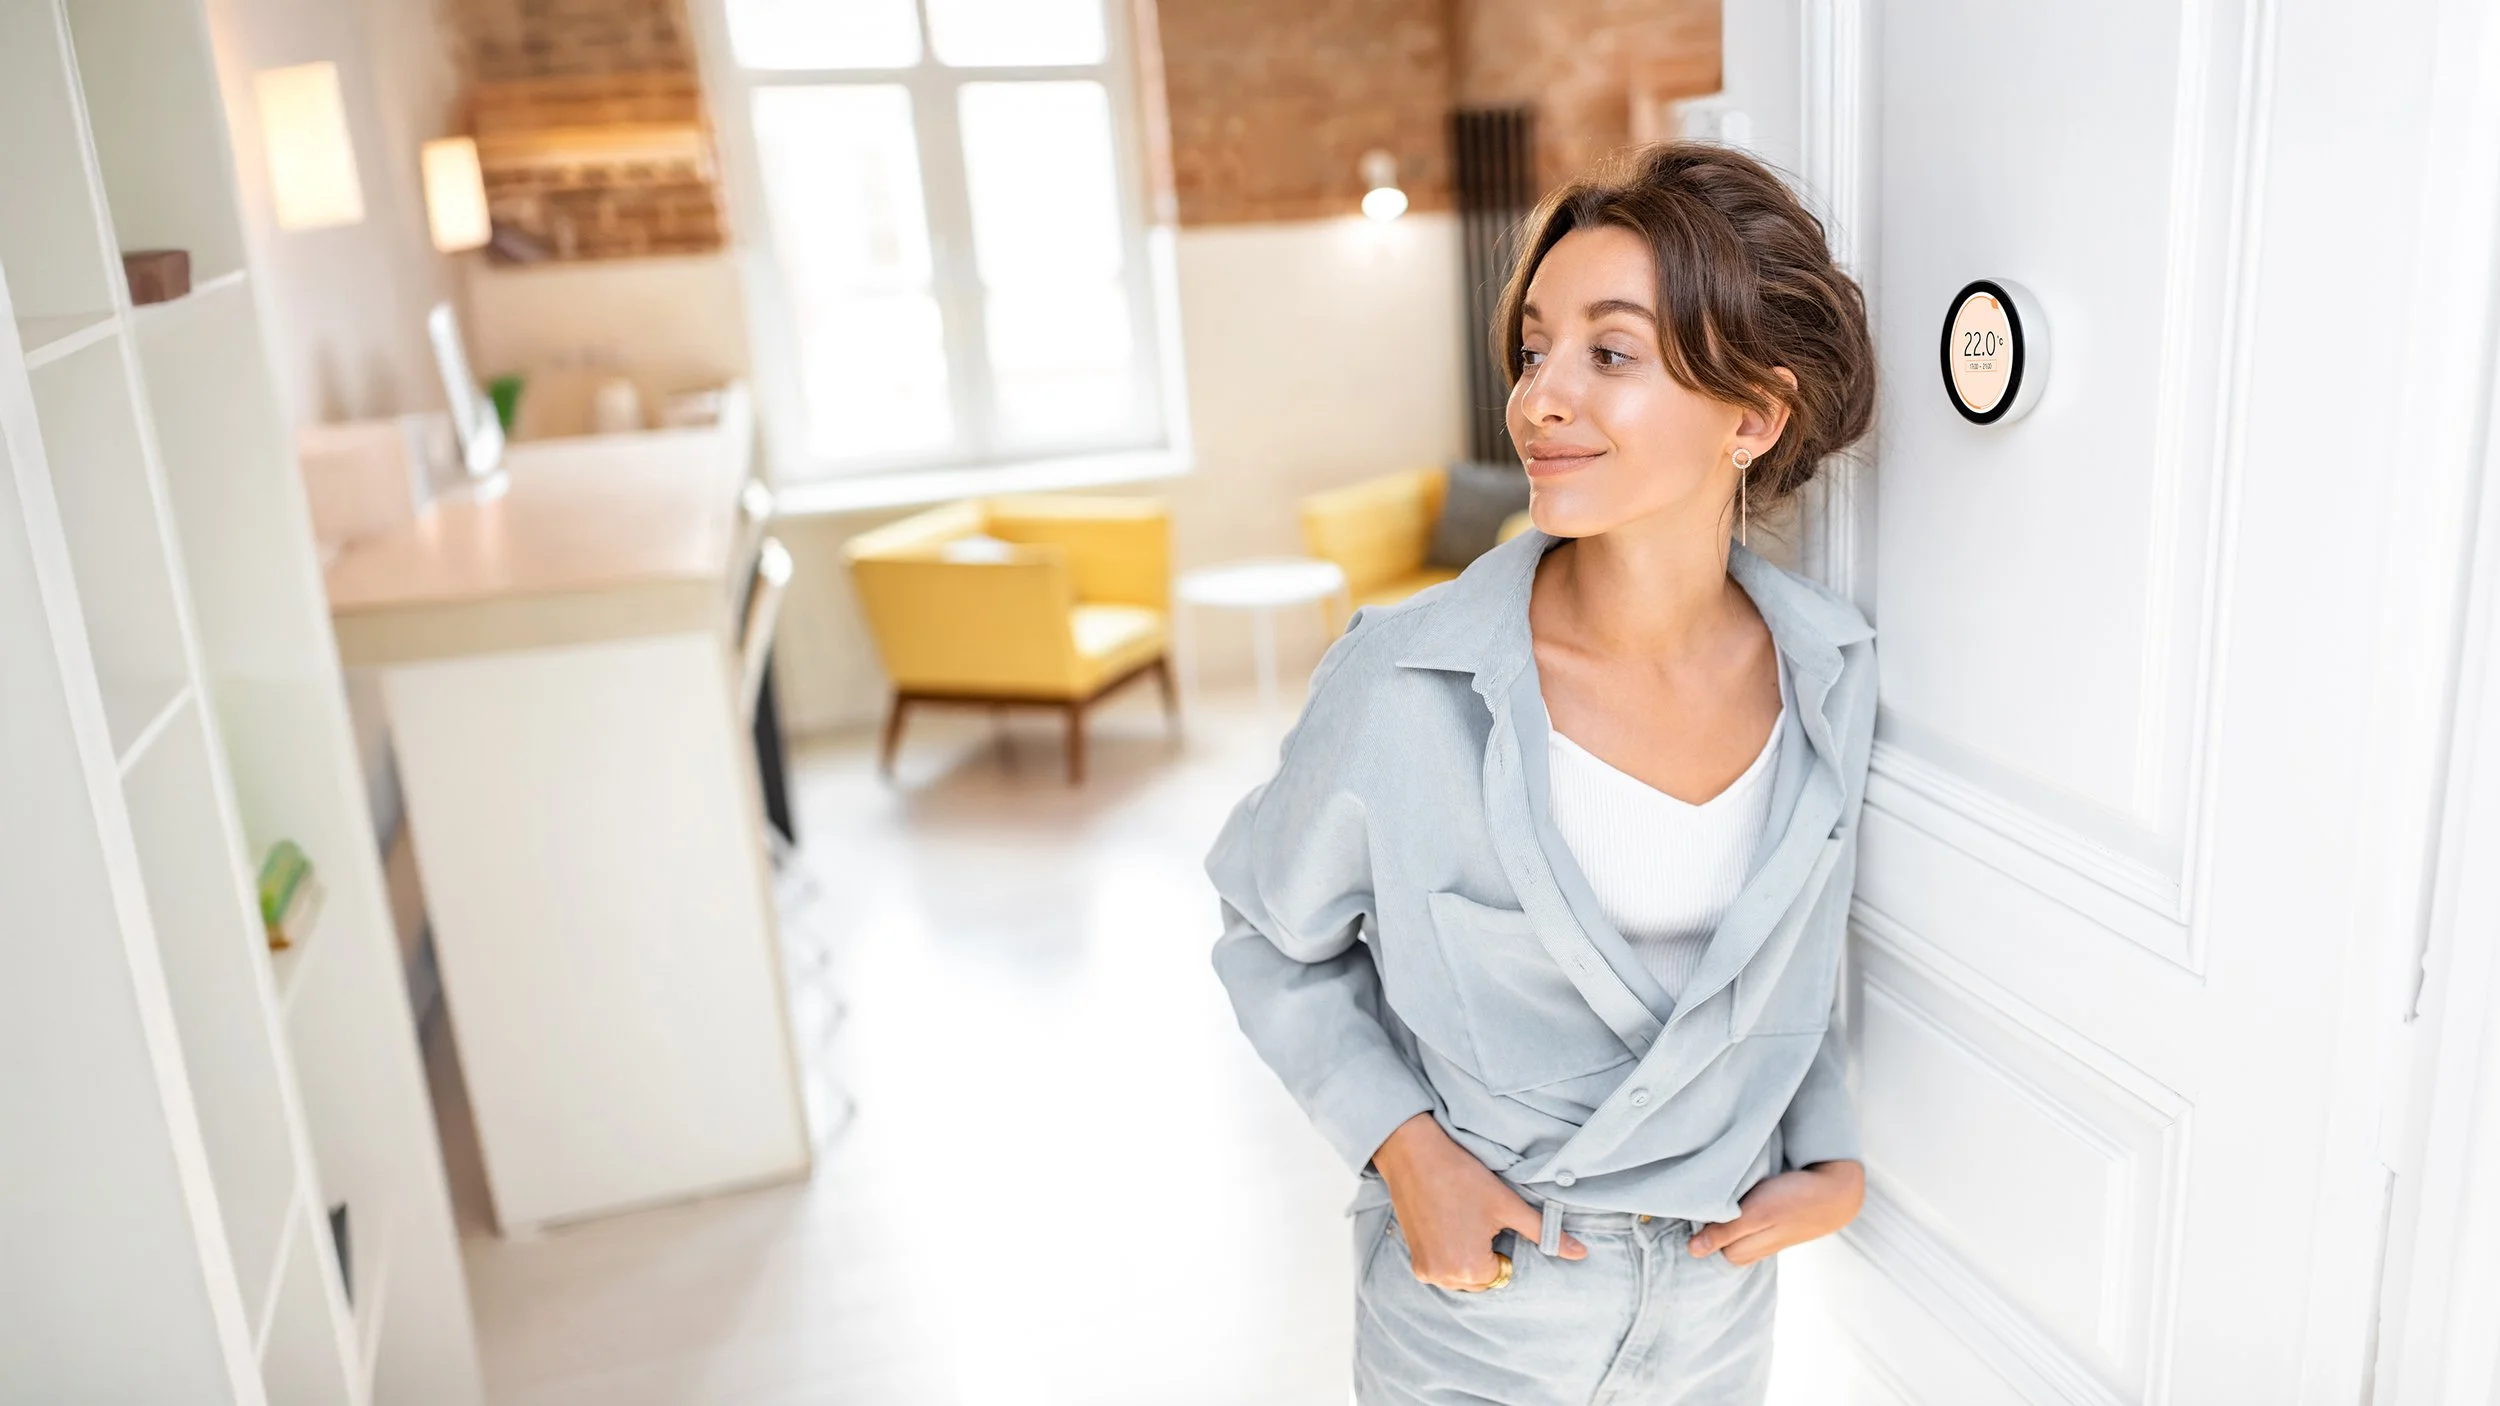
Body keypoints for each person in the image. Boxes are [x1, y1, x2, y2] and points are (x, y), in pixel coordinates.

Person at [1204, 141, 1880, 1405]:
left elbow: (1780, 971)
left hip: (1722, 1297)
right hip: (1480, 1298)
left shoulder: (1827, 677)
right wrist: (1405, 1153)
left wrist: (1828, 1156)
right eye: (1532, 349)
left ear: (1753, 415)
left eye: (1607, 354)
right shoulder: (1402, 682)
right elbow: (1264, 934)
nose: (1536, 398)